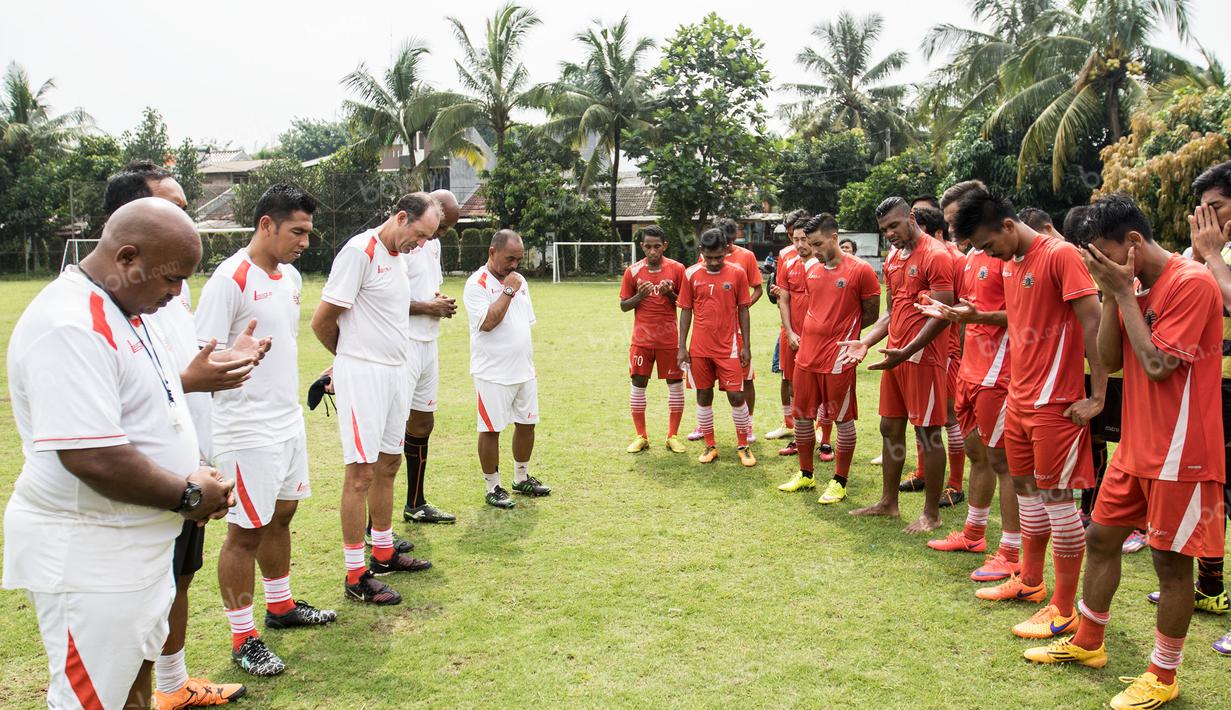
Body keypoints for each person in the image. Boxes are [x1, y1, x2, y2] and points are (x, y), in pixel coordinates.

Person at [3, 198, 234, 709]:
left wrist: (192, 471)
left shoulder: (126, 310)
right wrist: (188, 494)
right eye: (171, 279)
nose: (176, 294)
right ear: (127, 258)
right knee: (90, 701)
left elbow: (148, 412)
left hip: (136, 547)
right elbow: (92, 456)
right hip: (91, 557)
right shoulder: (70, 323)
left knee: (132, 688)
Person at [1024, 193, 1225, 710]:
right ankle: (1089, 642)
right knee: (1101, 536)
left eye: (1102, 253)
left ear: (1132, 241)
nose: (1097, 264)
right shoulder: (1130, 285)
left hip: (1182, 454)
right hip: (1137, 446)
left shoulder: (1192, 282)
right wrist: (1116, 296)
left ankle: (1163, 674)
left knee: (1170, 565)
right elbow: (1110, 361)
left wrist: (1122, 294)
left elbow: (1158, 366)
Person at [101, 161, 257, 708]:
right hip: (148, 489)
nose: (187, 221)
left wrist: (221, 362)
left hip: (187, 468)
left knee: (177, 581)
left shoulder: (165, 290)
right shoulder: (102, 309)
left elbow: (174, 368)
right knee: (137, 608)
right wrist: (193, 379)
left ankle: (173, 685)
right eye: (174, 209)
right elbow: (111, 418)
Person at [951, 191, 1107, 640]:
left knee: (1058, 501)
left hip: (1056, 404)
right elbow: (1020, 319)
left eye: (988, 244)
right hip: (1018, 397)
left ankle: (1064, 608)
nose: (987, 254)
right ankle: (1031, 581)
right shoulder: (1011, 262)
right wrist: (979, 314)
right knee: (1026, 490)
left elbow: (1093, 321)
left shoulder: (1059, 255)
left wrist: (1098, 396)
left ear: (1007, 225)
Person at [198, 184, 337, 678]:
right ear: (266, 225)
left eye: (308, 232)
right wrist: (231, 359)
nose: (304, 242)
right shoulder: (229, 279)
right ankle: (243, 638)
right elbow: (199, 359)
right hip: (245, 427)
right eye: (297, 231)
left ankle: (280, 607)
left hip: (285, 420)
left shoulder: (291, 277)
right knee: (245, 532)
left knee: (282, 514)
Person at [311, 193, 438, 606]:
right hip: (364, 375)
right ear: (401, 218)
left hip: (395, 372)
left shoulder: (398, 257)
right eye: (420, 235)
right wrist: (347, 361)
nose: (421, 244)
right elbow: (322, 321)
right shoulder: (359, 251)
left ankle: (383, 552)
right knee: (360, 474)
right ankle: (355, 575)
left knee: (389, 464)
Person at [919, 180, 1023, 584]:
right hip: (970, 370)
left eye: (958, 219)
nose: (954, 229)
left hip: (999, 373)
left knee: (1005, 463)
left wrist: (974, 316)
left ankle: (1010, 552)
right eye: (950, 223)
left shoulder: (1007, 254)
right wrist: (942, 310)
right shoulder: (970, 256)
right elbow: (970, 308)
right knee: (979, 454)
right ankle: (974, 533)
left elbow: (1024, 313)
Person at [839, 197, 955, 533]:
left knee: (928, 434)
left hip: (924, 357)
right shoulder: (893, 256)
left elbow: (943, 313)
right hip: (896, 355)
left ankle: (931, 514)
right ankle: (888, 503)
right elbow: (892, 312)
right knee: (889, 428)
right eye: (884, 229)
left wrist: (909, 350)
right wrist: (866, 341)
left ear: (911, 218)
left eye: (894, 225)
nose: (890, 233)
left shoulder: (936, 255)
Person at [777, 214, 880, 503]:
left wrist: (845, 331)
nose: (813, 250)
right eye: (810, 244)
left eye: (818, 244)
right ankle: (806, 474)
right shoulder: (810, 267)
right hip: (806, 355)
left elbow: (871, 313)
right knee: (802, 416)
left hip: (838, 359)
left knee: (842, 419)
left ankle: (839, 481)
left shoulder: (860, 270)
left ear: (834, 237)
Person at [463, 229, 552, 509]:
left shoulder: (520, 281)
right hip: (492, 373)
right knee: (491, 429)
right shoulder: (476, 283)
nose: (514, 265)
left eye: (518, 260)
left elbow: (524, 324)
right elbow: (488, 322)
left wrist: (528, 362)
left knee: (527, 424)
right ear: (492, 252)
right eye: (509, 258)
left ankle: (521, 478)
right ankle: (493, 487)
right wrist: (508, 290)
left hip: (523, 370)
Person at [1184, 159, 1231, 654]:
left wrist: (1212, 256)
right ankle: (1210, 587)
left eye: (1216, 207)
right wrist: (1201, 257)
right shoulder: (1204, 250)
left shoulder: (1217, 251)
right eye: (1203, 209)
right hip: (1211, 387)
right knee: (1212, 489)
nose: (1208, 218)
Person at [400, 189, 462, 524]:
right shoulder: (404, 244)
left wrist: (439, 301)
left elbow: (426, 288)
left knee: (424, 422)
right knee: (390, 431)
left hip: (428, 343)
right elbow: (387, 300)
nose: (441, 234)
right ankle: (374, 525)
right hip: (403, 345)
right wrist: (428, 306)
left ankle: (416, 503)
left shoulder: (433, 245)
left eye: (446, 229)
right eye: (441, 227)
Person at [905, 205, 967, 507]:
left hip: (948, 351)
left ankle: (955, 485)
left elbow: (964, 308)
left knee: (949, 417)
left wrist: (961, 354)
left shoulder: (953, 259)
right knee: (923, 417)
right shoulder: (914, 255)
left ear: (936, 232)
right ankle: (922, 473)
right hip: (920, 350)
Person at [678, 228, 755, 466]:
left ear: (726, 251)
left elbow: (744, 309)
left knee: (736, 395)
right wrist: (682, 347)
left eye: (719, 257)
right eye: (709, 257)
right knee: (703, 394)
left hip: (729, 348)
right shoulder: (690, 274)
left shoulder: (737, 273)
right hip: (700, 348)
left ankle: (744, 445)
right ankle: (710, 446)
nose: (713, 262)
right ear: (701, 251)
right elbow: (686, 310)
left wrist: (746, 346)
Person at [620, 225, 688, 454]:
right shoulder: (632, 271)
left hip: (669, 341)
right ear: (641, 246)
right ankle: (641, 436)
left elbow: (686, 305)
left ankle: (672, 436)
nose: (652, 251)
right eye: (648, 246)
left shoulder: (677, 269)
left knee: (675, 385)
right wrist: (640, 296)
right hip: (642, 341)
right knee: (638, 383)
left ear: (665, 246)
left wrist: (669, 294)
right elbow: (623, 306)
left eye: (657, 246)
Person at [767, 210, 808, 450]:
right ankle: (790, 423)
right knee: (787, 376)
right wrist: (778, 293)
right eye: (792, 236)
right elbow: (782, 295)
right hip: (789, 328)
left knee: (814, 381)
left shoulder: (821, 254)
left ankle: (819, 431)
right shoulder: (785, 255)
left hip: (814, 330)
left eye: (800, 235)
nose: (796, 241)